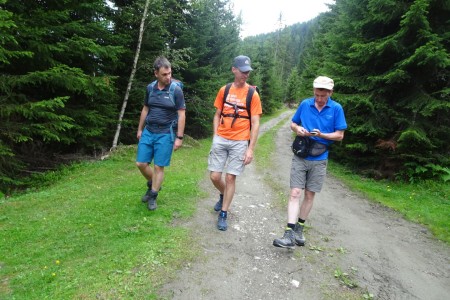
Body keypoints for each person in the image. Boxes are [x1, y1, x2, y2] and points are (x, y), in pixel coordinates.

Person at [273, 76, 347, 248]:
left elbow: (339, 135)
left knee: (309, 194)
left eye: (323, 96)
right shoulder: (306, 104)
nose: (319, 99)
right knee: (295, 193)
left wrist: (321, 134)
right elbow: (293, 123)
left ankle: (300, 229)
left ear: (330, 93)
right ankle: (289, 233)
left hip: (320, 158)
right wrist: (297, 128)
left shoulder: (336, 108)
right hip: (301, 154)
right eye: (317, 95)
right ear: (313, 92)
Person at [208, 55, 263, 231]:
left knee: (230, 177)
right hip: (221, 138)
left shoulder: (252, 94)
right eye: (242, 71)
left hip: (240, 140)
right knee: (215, 176)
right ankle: (223, 195)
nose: (246, 75)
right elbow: (217, 114)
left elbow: (255, 123)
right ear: (234, 69)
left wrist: (250, 149)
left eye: (248, 72)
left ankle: (224, 213)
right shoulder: (224, 90)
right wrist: (216, 134)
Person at [136, 56, 186, 211]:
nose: (168, 77)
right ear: (156, 73)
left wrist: (179, 137)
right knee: (141, 163)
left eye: (170, 73)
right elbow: (145, 109)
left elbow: (182, 114)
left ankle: (153, 195)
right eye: (164, 74)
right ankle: (153, 184)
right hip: (149, 131)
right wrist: (140, 128)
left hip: (166, 133)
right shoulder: (150, 88)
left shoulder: (175, 90)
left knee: (159, 167)